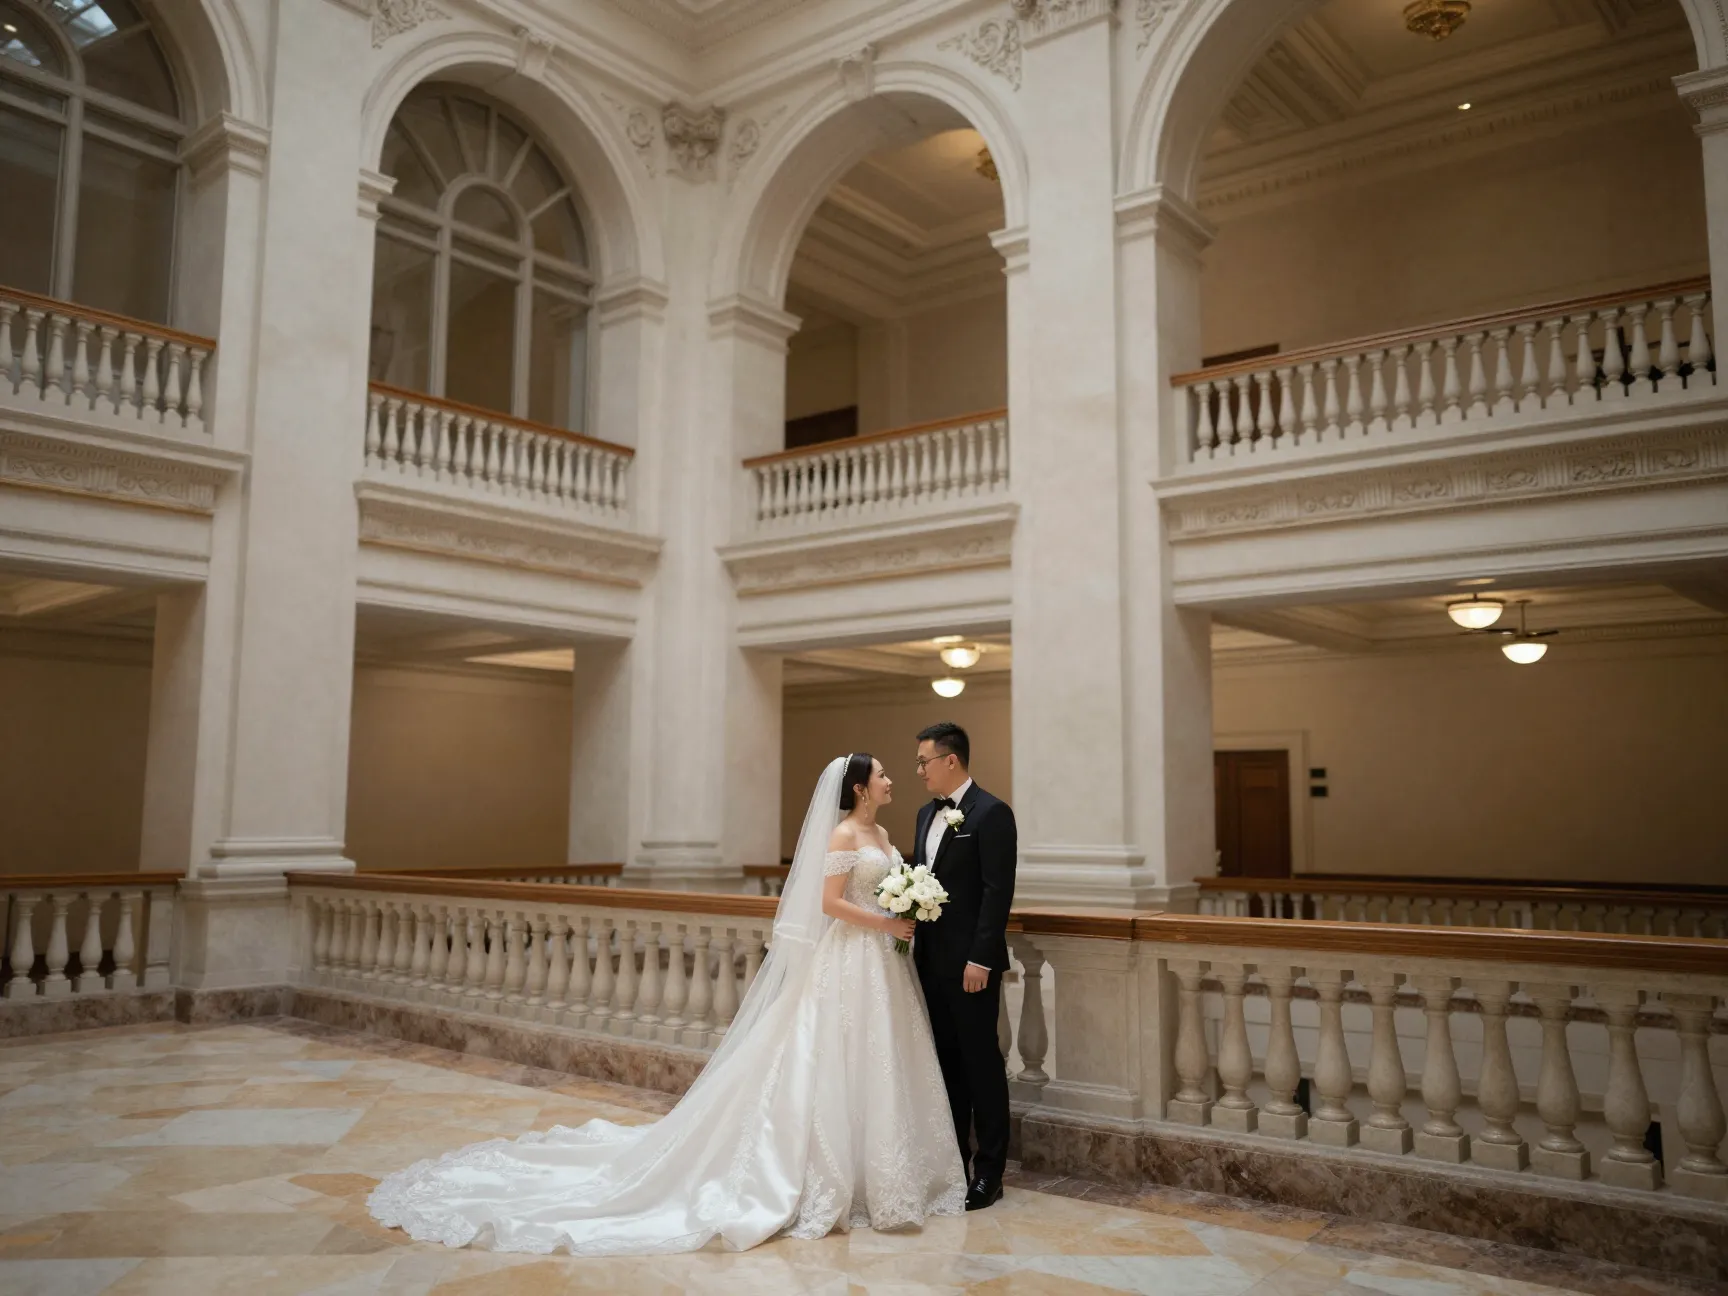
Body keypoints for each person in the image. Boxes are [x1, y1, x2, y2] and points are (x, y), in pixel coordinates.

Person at [367, 753, 966, 1255]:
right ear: (860, 787)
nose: (892, 782)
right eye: (884, 775)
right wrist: (885, 922)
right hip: (851, 955)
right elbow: (830, 904)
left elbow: (885, 886)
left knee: (881, 1059)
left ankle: (888, 1176)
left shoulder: (885, 836)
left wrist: (905, 908)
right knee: (829, 1057)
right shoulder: (841, 835)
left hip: (882, 966)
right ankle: (822, 1177)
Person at [911, 721, 1017, 1212]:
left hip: (971, 966)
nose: (919, 771)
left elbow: (998, 894)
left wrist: (980, 958)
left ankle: (990, 1173)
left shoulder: (992, 813)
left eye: (924, 761)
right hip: (931, 962)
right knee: (947, 1064)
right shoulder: (921, 816)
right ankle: (955, 1161)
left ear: (950, 760)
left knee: (982, 1066)